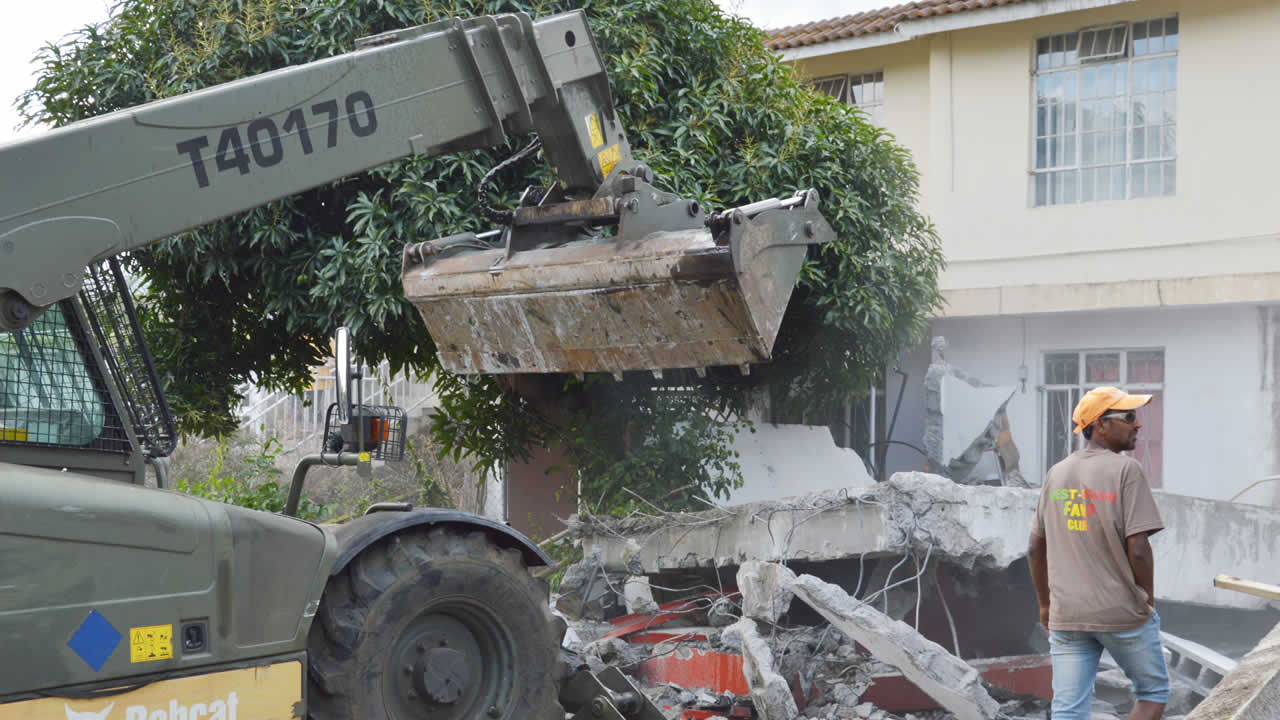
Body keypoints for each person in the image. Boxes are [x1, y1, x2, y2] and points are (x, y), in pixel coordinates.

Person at [1028, 386, 1169, 720]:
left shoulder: (1055, 473)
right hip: (1120, 612)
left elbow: (1034, 547)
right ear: (1101, 425)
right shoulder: (1126, 470)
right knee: (1153, 693)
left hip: (1067, 616)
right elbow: (1138, 549)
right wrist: (1147, 596)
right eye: (1130, 417)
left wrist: (1045, 605)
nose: (1138, 426)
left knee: (1068, 709)